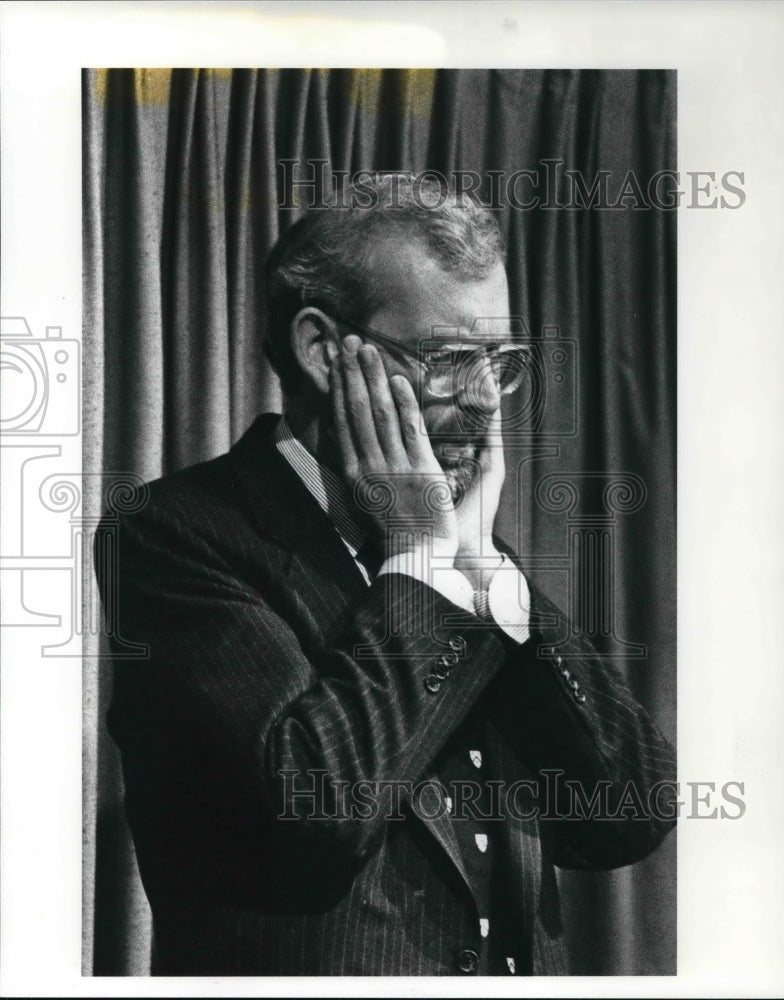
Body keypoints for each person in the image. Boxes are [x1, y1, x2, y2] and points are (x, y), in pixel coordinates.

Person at [97, 176, 676, 976]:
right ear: (323, 350)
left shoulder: (461, 548)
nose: (481, 399)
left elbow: (627, 817)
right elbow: (311, 819)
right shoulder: (178, 533)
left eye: (498, 362)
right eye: (445, 358)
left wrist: (486, 578)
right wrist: (422, 564)